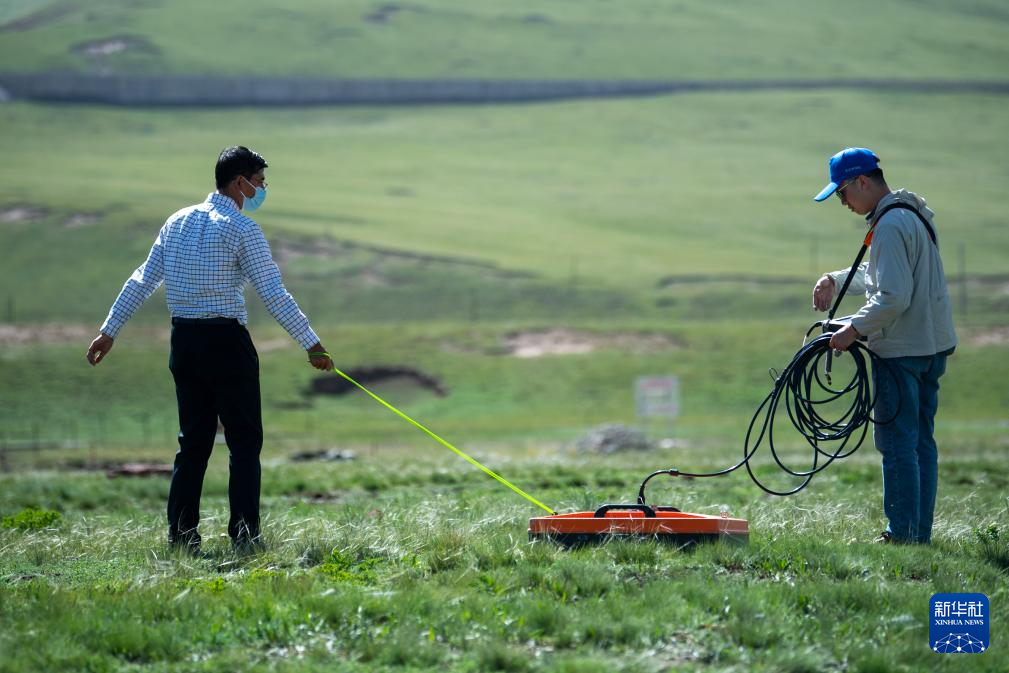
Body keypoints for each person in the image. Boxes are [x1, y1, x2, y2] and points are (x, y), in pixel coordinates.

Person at [86, 146, 334, 553]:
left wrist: (108, 331)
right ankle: (245, 536)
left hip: (184, 343)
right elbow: (273, 293)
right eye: (260, 182)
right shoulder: (243, 229)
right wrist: (312, 344)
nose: (262, 190)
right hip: (227, 343)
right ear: (240, 182)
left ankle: (182, 537)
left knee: (193, 444)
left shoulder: (176, 222)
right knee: (244, 443)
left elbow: (142, 279)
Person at [811, 147, 957, 544]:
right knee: (920, 443)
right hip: (930, 346)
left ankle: (903, 535)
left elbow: (892, 297)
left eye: (842, 193)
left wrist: (853, 329)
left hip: (901, 351)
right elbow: (884, 274)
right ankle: (918, 534)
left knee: (897, 444)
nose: (843, 202)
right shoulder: (910, 215)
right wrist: (835, 279)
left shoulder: (890, 224)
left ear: (861, 182)